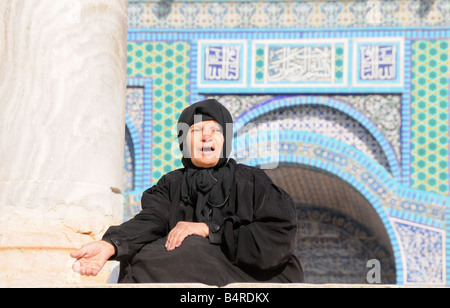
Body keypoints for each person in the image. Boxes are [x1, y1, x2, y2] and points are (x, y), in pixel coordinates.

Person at [70, 99, 304, 286]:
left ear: (226, 139)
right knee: (140, 256)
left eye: (215, 130)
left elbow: (279, 233)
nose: (206, 136)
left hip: (255, 274)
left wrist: (209, 230)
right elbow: (151, 221)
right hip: (187, 266)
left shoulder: (251, 180)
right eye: (197, 130)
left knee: (190, 247)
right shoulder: (170, 184)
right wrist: (110, 245)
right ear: (184, 141)